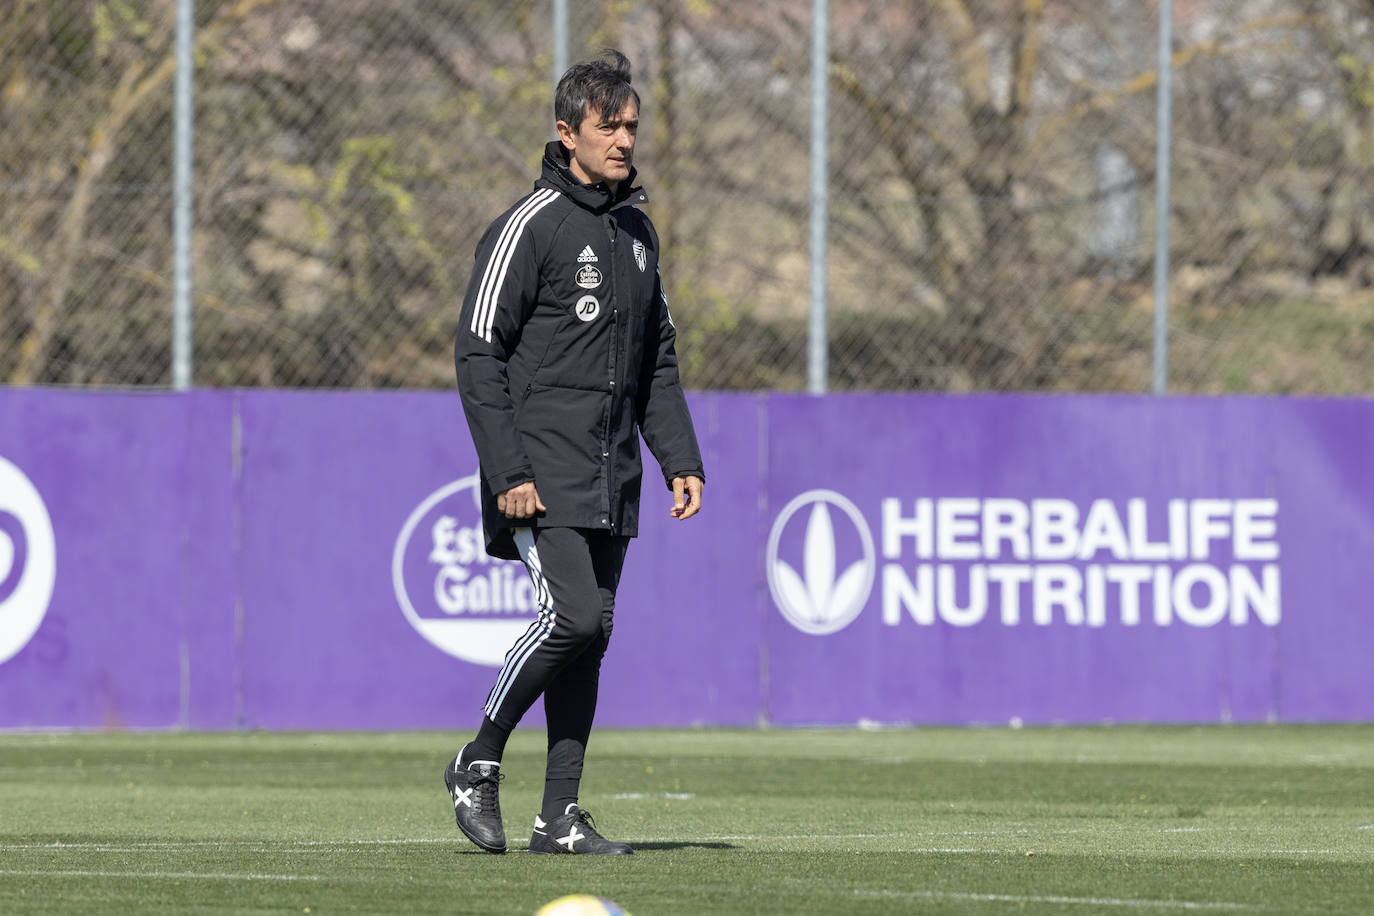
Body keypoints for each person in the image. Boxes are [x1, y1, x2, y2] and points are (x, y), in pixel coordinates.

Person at [446, 49, 705, 856]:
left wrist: (678, 456)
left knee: (593, 639)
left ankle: (558, 816)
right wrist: (510, 473)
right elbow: (477, 351)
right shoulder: (531, 226)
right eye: (609, 126)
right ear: (567, 133)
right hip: (543, 474)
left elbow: (655, 358)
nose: (625, 139)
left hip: (612, 477)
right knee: (573, 616)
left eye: (632, 125)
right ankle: (476, 760)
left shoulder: (637, 235)